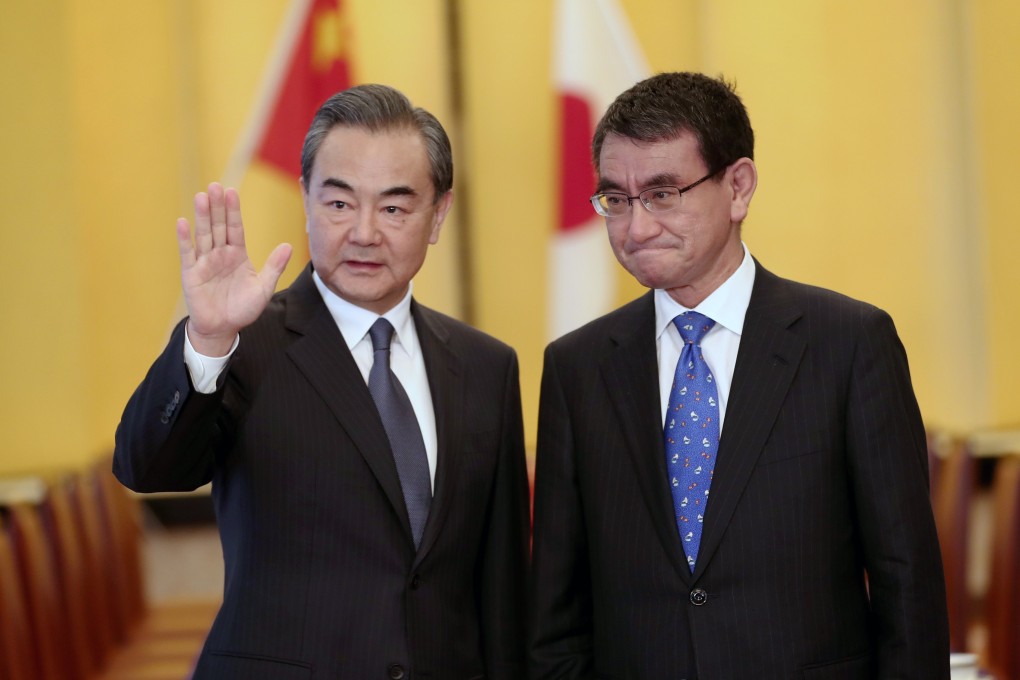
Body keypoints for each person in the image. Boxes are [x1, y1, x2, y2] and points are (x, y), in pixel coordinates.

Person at [528, 72, 949, 679]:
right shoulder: (578, 367)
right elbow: (557, 620)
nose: (636, 227)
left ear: (738, 187)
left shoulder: (848, 343)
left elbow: (906, 586)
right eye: (616, 200)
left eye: (662, 193)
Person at [114, 84, 529, 679]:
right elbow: (147, 468)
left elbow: (502, 588)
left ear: (438, 215)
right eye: (339, 203)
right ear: (305, 198)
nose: (364, 232)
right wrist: (207, 340)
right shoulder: (245, 344)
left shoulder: (487, 367)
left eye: (393, 208)